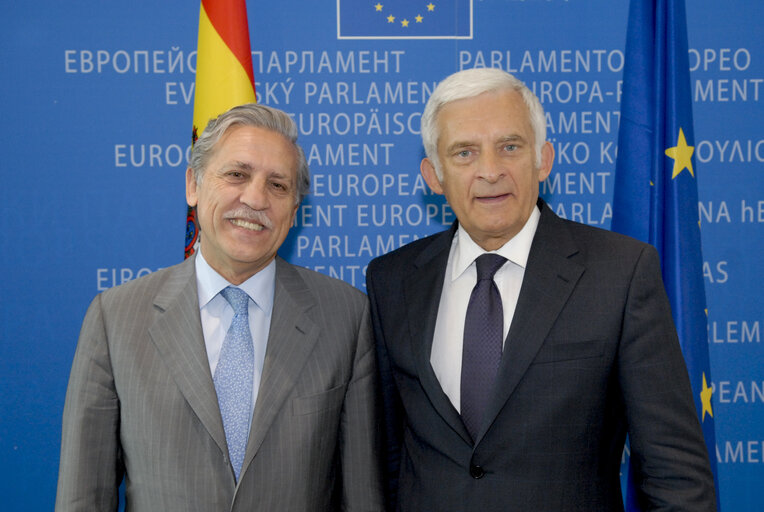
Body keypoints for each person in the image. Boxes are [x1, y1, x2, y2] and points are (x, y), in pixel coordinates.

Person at [365, 68, 716, 511]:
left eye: (509, 147)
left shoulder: (620, 274)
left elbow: (675, 475)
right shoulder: (391, 279)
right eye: (464, 153)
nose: (489, 171)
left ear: (543, 159)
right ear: (433, 175)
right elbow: (389, 460)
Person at [56, 103, 383, 511]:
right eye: (236, 174)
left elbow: (364, 497)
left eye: (278, 186)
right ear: (193, 184)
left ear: (295, 211)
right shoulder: (115, 318)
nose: (255, 198)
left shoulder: (347, 317)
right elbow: (82, 497)